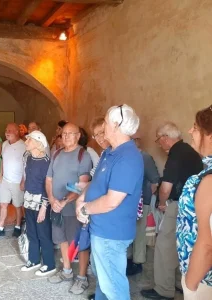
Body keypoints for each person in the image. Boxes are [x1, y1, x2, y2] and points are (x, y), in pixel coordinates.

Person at [77, 104, 144, 300]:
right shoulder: (110, 152)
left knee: (113, 285)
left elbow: (112, 201)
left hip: (111, 233)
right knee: (104, 280)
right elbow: (95, 183)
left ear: (116, 124)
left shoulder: (128, 157)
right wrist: (82, 197)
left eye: (106, 122)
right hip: (101, 229)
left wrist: (86, 208)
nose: (103, 126)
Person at [141, 122, 203, 300]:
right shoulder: (189, 151)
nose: (159, 144)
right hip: (193, 206)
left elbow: (165, 188)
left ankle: (163, 290)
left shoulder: (176, 153)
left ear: (165, 138)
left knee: (164, 245)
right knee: (179, 245)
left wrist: (162, 203)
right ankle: (179, 283)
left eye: (159, 140)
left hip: (178, 205)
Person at [47, 123, 92, 295]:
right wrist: (52, 199)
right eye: (63, 133)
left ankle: (82, 277)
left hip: (74, 208)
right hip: (56, 206)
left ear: (78, 135)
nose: (65, 136)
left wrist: (64, 201)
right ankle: (66, 271)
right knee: (62, 239)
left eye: (70, 133)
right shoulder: (56, 153)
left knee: (79, 242)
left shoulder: (83, 155)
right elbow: (49, 179)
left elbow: (83, 185)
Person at [176, 105, 212, 299]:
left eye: (195, 128)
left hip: (203, 281)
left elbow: (208, 245)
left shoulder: (209, 180)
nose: (190, 131)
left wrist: (190, 285)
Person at [20, 130, 56, 276]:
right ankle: (33, 260)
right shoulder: (28, 158)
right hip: (28, 199)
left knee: (43, 233)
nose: (26, 142)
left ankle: (49, 264)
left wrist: (44, 206)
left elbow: (47, 186)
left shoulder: (46, 162)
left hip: (41, 202)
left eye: (29, 140)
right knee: (31, 231)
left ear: (37, 143)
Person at [126, 131, 160, 276]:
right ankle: (128, 258)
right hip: (127, 201)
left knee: (139, 232)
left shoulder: (144, 157)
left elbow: (154, 181)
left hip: (141, 201)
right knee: (129, 230)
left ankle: (138, 261)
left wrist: (146, 196)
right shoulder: (126, 157)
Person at [0, 123, 26, 238]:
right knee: (3, 204)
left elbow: (26, 165)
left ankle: (17, 226)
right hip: (5, 180)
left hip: (17, 181)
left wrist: (23, 180)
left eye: (10, 130)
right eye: (6, 130)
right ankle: (0, 228)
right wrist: (0, 176)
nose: (7, 132)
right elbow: (2, 161)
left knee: (17, 205)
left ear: (17, 132)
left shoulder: (24, 146)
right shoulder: (5, 144)